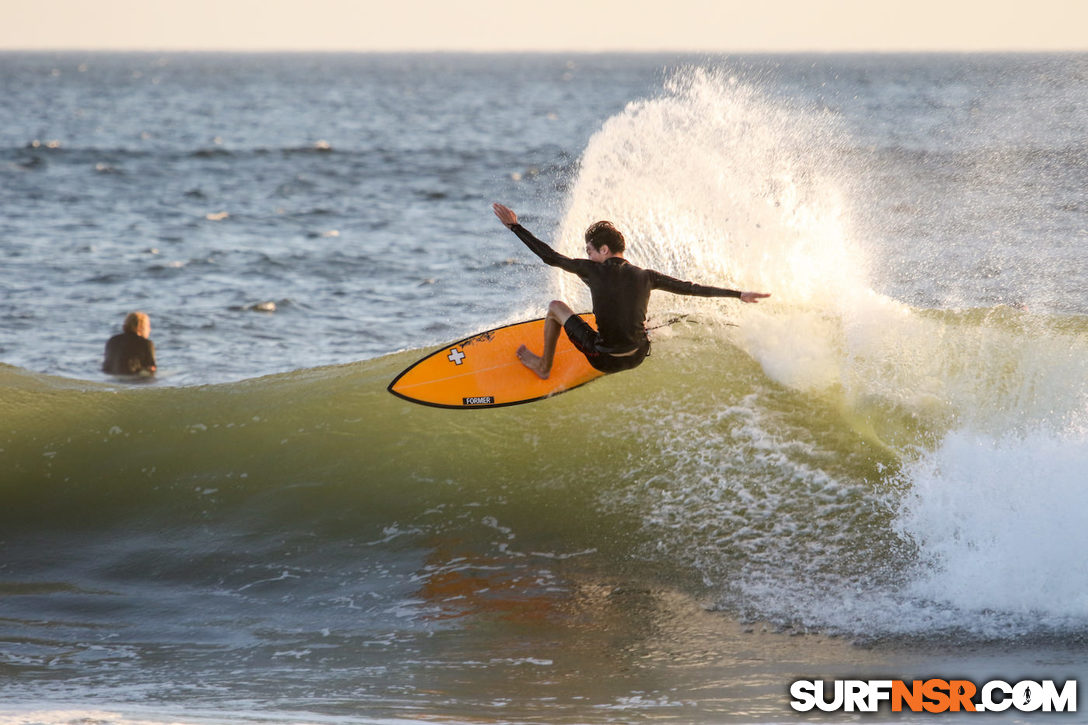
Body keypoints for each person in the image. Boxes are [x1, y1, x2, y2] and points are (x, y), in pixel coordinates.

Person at [493, 203, 770, 379]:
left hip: (604, 360)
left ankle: (543, 365)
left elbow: (550, 257)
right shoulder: (646, 276)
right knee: (642, 320)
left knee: (555, 307)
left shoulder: (591, 269)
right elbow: (692, 289)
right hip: (638, 355)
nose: (587, 257)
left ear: (604, 250)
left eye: (589, 251)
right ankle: (638, 333)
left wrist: (515, 226)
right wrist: (738, 294)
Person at [103, 311, 157, 376]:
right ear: (141, 327)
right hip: (132, 379)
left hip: (111, 377)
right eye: (148, 326)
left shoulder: (112, 340)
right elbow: (152, 369)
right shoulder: (146, 343)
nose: (150, 329)